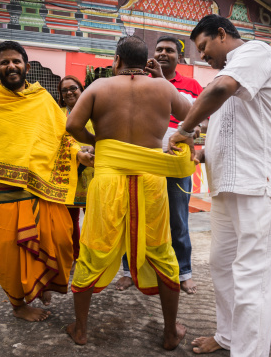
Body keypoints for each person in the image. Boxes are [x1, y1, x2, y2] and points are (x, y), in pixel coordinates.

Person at [168, 15, 271, 356]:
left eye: (205, 47)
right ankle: (227, 336)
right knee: (223, 267)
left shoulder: (255, 53)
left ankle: (247, 351)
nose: (203, 57)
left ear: (222, 34)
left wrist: (184, 129)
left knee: (253, 278)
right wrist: (202, 154)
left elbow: (222, 90)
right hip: (228, 187)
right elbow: (238, 130)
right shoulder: (230, 74)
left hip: (261, 185)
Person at [66, 35, 196, 350]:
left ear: (117, 61)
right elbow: (192, 115)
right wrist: (177, 132)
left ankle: (81, 329)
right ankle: (168, 333)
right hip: (150, 179)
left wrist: (100, 143)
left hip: (109, 178)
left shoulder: (98, 87)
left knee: (94, 247)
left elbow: (72, 125)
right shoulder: (164, 88)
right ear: (146, 60)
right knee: (161, 250)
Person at [0, 41, 93, 322]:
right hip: (4, 191)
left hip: (44, 189)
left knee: (58, 240)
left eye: (16, 61)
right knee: (7, 253)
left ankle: (43, 282)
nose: (11, 66)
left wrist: (79, 154)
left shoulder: (43, 99)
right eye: (4, 62)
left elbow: (63, 139)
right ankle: (18, 304)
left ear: (27, 66)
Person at [116, 35, 204, 294]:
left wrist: (193, 130)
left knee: (177, 218)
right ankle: (129, 271)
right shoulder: (136, 80)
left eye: (169, 50)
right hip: (141, 158)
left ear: (181, 56)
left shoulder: (192, 85)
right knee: (133, 214)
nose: (163, 53)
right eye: (159, 49)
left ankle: (183, 271)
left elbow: (199, 118)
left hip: (175, 160)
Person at [58, 75, 94, 260]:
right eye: (64, 91)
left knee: (93, 221)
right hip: (68, 175)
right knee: (69, 222)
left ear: (81, 89)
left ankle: (92, 259)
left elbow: (104, 136)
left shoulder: (94, 112)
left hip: (92, 174)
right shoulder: (58, 114)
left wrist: (93, 147)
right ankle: (74, 257)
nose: (69, 92)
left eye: (73, 88)